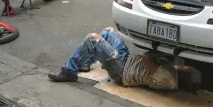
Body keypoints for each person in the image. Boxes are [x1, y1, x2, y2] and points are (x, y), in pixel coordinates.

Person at [48, 27, 202, 93]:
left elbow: (146, 58)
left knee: (93, 38)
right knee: (107, 32)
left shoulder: (166, 79)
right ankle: (86, 62)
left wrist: (156, 50)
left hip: (121, 71)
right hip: (126, 60)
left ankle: (69, 71)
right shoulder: (173, 76)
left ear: (186, 70)